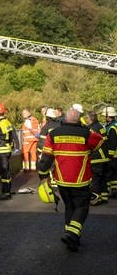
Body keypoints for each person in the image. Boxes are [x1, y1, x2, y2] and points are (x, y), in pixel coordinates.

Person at [38, 108, 103, 252]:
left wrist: (42, 175)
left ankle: (71, 239)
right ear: (79, 120)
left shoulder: (53, 134)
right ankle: (73, 233)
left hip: (61, 181)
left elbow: (46, 158)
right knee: (82, 207)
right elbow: (99, 142)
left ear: (65, 119)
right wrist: (85, 130)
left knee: (69, 207)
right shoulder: (86, 134)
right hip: (81, 181)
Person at [0, 103, 20, 200]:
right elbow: (14, 136)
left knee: (3, 172)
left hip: (1, 151)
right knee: (7, 171)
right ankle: (7, 190)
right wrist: (17, 147)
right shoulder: (8, 123)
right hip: (8, 150)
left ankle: (5, 193)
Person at [85, 111, 109, 205]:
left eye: (87, 118)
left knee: (95, 179)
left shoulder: (90, 129)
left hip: (96, 157)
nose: (86, 120)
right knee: (103, 178)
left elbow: (88, 144)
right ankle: (104, 197)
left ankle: (95, 199)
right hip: (104, 157)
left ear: (90, 118)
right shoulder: (101, 127)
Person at [101, 106, 117, 197]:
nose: (104, 118)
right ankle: (115, 191)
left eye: (105, 116)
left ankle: (112, 192)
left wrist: (109, 156)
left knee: (111, 174)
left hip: (113, 156)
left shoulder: (111, 128)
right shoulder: (115, 125)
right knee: (115, 175)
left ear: (108, 116)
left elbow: (112, 143)